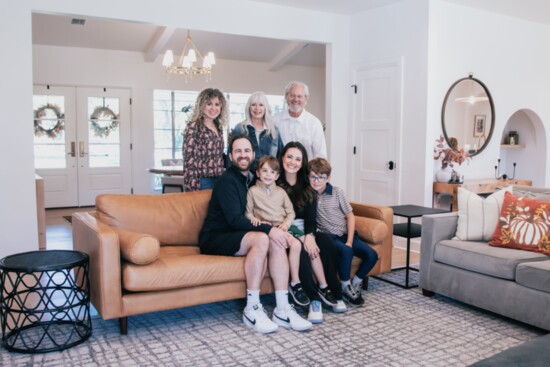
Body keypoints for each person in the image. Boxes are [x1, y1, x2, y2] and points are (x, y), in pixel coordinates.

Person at [199, 135, 312, 334]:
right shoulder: (227, 181)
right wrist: (269, 229)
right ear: (231, 156)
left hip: (238, 233)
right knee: (262, 238)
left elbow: (268, 185)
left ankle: (282, 307)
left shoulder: (251, 177)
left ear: (253, 154)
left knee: (275, 240)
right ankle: (251, 308)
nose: (243, 155)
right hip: (216, 237)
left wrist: (276, 229)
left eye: (247, 151)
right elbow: (235, 220)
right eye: (238, 151)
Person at [277, 142, 346, 324]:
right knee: (301, 249)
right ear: (282, 157)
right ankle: (313, 299)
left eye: (298, 159)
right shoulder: (274, 182)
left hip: (306, 228)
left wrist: (310, 236)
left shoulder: (307, 186)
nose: (293, 162)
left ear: (302, 163)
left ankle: (332, 291)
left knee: (327, 243)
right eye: (289, 157)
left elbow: (311, 219)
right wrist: (300, 237)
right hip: (284, 230)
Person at [308, 157, 379, 307]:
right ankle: (345, 286)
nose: (316, 181)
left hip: (346, 235)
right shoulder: (309, 195)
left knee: (372, 255)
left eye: (321, 177)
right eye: (313, 176)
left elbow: (350, 216)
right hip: (331, 238)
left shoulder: (337, 192)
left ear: (328, 178)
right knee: (346, 252)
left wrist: (350, 241)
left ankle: (356, 282)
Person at [245, 155, 310, 307]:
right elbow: (247, 212)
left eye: (272, 172)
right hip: (267, 229)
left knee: (296, 245)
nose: (268, 174)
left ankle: (295, 282)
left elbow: (291, 213)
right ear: (258, 173)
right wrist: (255, 220)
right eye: (265, 171)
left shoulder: (281, 192)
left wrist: (287, 224)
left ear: (277, 175)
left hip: (282, 227)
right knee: (281, 245)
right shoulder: (252, 191)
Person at [183, 88, 227, 191]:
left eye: (217, 104)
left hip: (219, 179)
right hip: (202, 181)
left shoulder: (219, 127)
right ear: (201, 105)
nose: (213, 108)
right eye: (209, 104)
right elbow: (189, 159)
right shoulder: (194, 126)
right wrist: (193, 186)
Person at [274, 81, 327, 160]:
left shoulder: (314, 123)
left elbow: (320, 155)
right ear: (286, 97)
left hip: (306, 171)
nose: (295, 99)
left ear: (306, 98)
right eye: (292, 95)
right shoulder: (275, 120)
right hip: (281, 171)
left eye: (299, 96)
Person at [231, 91, 284, 171]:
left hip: (268, 179)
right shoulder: (240, 129)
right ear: (249, 107)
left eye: (261, 105)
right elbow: (231, 157)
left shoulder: (274, 130)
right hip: (244, 178)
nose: (257, 108)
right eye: (253, 105)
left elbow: (281, 157)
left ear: (266, 108)